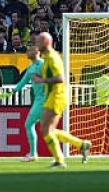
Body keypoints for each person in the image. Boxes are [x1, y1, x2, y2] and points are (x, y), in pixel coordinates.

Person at [33, 32, 91, 168]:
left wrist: (42, 80)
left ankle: (60, 160)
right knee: (48, 129)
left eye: (38, 42)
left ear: (46, 43)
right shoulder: (47, 57)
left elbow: (60, 78)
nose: (36, 44)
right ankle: (81, 145)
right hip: (53, 96)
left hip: (57, 96)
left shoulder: (53, 58)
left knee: (46, 129)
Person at [8, 44, 45, 162]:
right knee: (46, 129)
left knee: (29, 124)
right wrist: (13, 91)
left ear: (37, 51)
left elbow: (53, 79)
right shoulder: (30, 67)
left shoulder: (43, 64)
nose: (27, 52)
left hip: (44, 99)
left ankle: (33, 154)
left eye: (29, 50)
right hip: (39, 100)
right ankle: (80, 144)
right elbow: (23, 82)